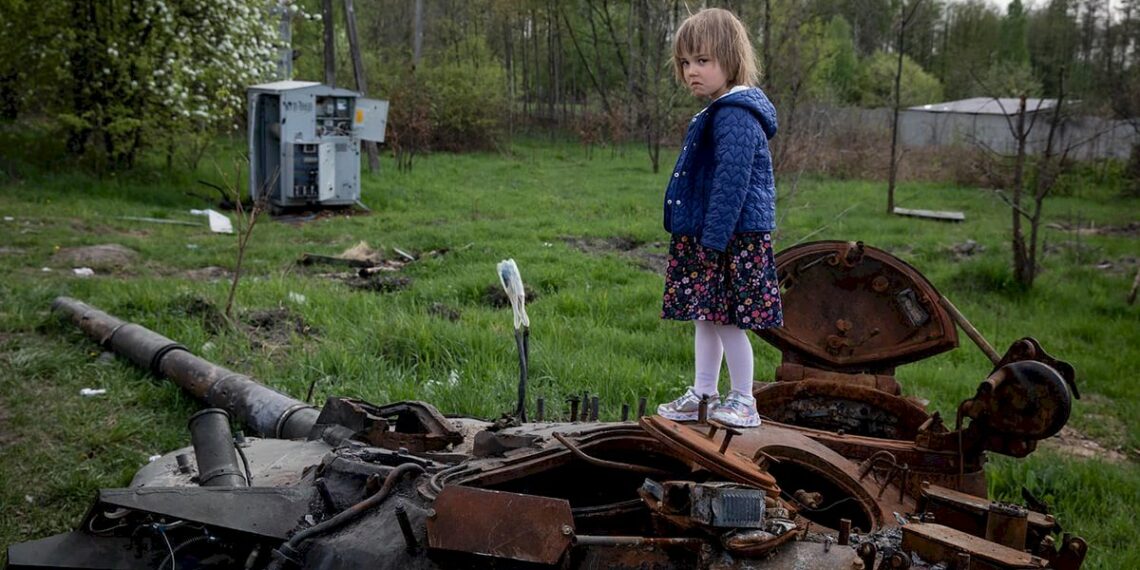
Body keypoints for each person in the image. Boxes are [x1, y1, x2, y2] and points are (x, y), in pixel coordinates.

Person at [657, 7, 782, 428]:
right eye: (686, 63)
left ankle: (744, 400)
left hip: (730, 236)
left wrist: (713, 241)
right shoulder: (719, 110)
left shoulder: (735, 115)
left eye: (703, 61)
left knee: (727, 319)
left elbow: (732, 184)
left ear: (730, 58)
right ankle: (704, 393)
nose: (692, 71)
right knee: (705, 315)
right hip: (711, 233)